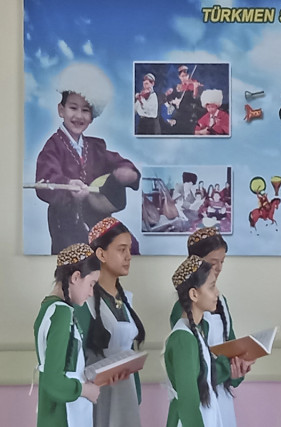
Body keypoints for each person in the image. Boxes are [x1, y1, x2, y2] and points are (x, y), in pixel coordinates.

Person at [35, 62, 141, 254]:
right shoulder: (53, 147)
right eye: (73, 108)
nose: (79, 115)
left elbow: (120, 163)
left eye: (85, 110)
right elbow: (45, 181)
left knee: (130, 246)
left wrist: (128, 173)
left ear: (92, 116)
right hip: (67, 224)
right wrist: (68, 186)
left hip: (99, 218)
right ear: (61, 110)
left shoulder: (97, 147)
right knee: (80, 259)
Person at [169, 227, 254, 427]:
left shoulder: (220, 302)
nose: (219, 268)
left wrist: (237, 369)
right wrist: (226, 368)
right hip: (199, 402)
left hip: (219, 398)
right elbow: (192, 381)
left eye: (222, 262)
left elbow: (230, 346)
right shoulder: (183, 327)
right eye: (213, 262)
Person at [75, 217, 146, 427]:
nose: (129, 256)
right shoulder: (85, 302)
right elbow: (77, 359)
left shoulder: (126, 299)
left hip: (126, 390)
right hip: (99, 396)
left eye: (129, 249)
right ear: (101, 254)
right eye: (122, 249)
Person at [34, 243, 101, 427]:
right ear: (76, 277)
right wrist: (86, 390)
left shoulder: (49, 307)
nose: (91, 293)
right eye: (91, 284)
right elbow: (54, 381)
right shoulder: (61, 313)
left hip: (54, 411)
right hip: (64, 416)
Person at [165, 255, 223, 427]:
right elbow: (188, 402)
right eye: (211, 287)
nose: (217, 292)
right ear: (194, 294)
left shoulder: (196, 331)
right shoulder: (182, 339)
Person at [165, 64, 204, 134]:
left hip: (190, 113)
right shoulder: (177, 87)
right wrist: (173, 101)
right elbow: (170, 100)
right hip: (179, 114)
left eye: (186, 76)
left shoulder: (193, 85)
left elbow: (195, 98)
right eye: (182, 76)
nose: (184, 78)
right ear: (179, 77)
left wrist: (195, 87)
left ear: (189, 75)